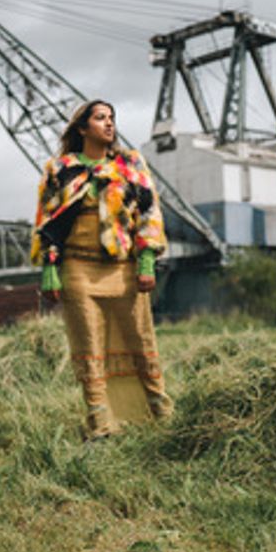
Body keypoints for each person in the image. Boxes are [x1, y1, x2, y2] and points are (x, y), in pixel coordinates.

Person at [32, 100, 175, 439]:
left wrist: (147, 259)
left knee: (140, 341)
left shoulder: (130, 164)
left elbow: (149, 212)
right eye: (100, 118)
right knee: (88, 344)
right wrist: (49, 267)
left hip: (123, 269)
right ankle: (100, 424)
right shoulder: (59, 168)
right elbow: (47, 220)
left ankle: (160, 415)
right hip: (78, 269)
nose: (109, 124)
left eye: (112, 118)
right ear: (82, 128)